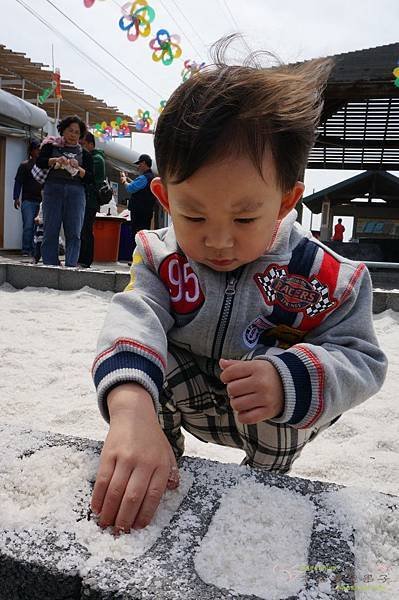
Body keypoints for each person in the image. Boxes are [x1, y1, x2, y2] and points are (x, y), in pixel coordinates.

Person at [91, 41, 387, 533]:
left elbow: (363, 359)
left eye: (246, 216)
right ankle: (158, 457)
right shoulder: (161, 255)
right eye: (193, 214)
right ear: (164, 197)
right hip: (186, 396)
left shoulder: (329, 277)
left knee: (284, 393)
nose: (218, 239)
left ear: (286, 201)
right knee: (139, 371)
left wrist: (291, 378)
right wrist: (129, 409)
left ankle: (261, 486)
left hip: (266, 407)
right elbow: (135, 314)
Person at [36, 115, 93, 267]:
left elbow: (90, 178)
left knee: (74, 232)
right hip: (52, 190)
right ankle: (50, 265)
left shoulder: (85, 154)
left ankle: (70, 265)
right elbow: (40, 162)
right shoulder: (50, 146)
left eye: (76, 132)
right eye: (70, 130)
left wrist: (78, 168)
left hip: (76, 193)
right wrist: (55, 160)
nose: (73, 135)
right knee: (51, 230)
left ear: (80, 135)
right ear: (63, 130)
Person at [78, 132, 106, 268]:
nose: (80, 147)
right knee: (84, 230)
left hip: (91, 200)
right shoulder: (94, 157)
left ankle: (85, 260)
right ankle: (83, 259)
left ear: (90, 144)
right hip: (87, 199)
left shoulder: (96, 159)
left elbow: (88, 176)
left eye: (82, 144)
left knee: (85, 231)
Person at [120, 153, 156, 253]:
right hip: (146, 211)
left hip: (139, 212)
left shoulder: (144, 177)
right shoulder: (150, 177)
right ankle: (143, 257)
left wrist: (124, 181)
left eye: (139, 164)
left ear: (144, 163)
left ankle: (136, 257)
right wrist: (127, 179)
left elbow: (131, 188)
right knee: (144, 235)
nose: (138, 166)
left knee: (136, 234)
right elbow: (137, 185)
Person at [13, 139, 42, 256]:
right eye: (36, 148)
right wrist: (16, 197)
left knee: (38, 228)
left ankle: (35, 251)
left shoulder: (44, 165)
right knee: (28, 226)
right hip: (28, 201)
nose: (39, 151)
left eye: (40, 148)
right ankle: (26, 250)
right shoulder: (24, 165)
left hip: (41, 202)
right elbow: (18, 182)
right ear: (31, 150)